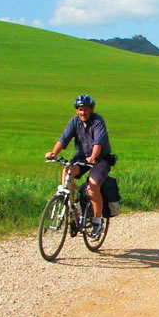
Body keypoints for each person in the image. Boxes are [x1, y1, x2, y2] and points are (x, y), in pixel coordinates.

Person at [45, 94, 112, 239]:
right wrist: (53, 152)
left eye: (86, 109)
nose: (83, 112)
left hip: (100, 159)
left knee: (93, 186)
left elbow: (97, 144)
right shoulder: (74, 122)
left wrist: (93, 157)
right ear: (77, 110)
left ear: (92, 109)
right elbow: (63, 139)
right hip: (82, 157)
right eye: (80, 110)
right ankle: (73, 206)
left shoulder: (97, 122)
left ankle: (97, 221)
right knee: (67, 171)